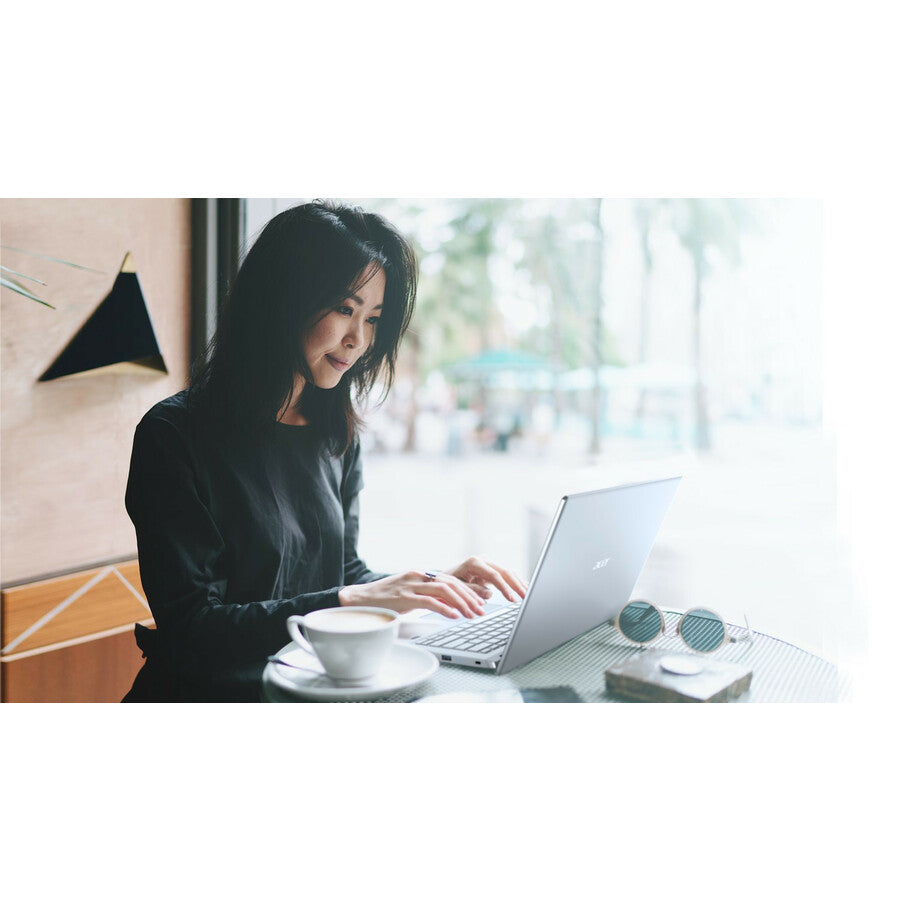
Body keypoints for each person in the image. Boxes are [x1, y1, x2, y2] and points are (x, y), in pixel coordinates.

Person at [123, 201, 526, 701]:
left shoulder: (336, 435)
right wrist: (352, 597)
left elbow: (343, 576)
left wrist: (432, 584)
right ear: (282, 299)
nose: (358, 340)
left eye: (373, 319)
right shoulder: (173, 435)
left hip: (311, 692)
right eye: (345, 309)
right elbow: (194, 628)